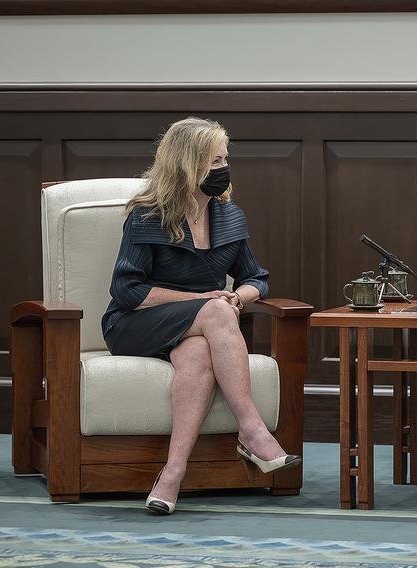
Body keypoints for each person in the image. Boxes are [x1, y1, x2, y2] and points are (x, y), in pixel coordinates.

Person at [101, 117, 300, 515]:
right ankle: (252, 428)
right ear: (186, 165)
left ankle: (172, 474)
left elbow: (255, 279)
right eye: (213, 162)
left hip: (198, 327)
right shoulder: (146, 215)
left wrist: (235, 299)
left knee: (199, 355)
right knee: (214, 310)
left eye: (225, 159)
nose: (223, 170)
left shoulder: (229, 216)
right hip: (135, 325)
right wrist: (203, 300)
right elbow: (126, 291)